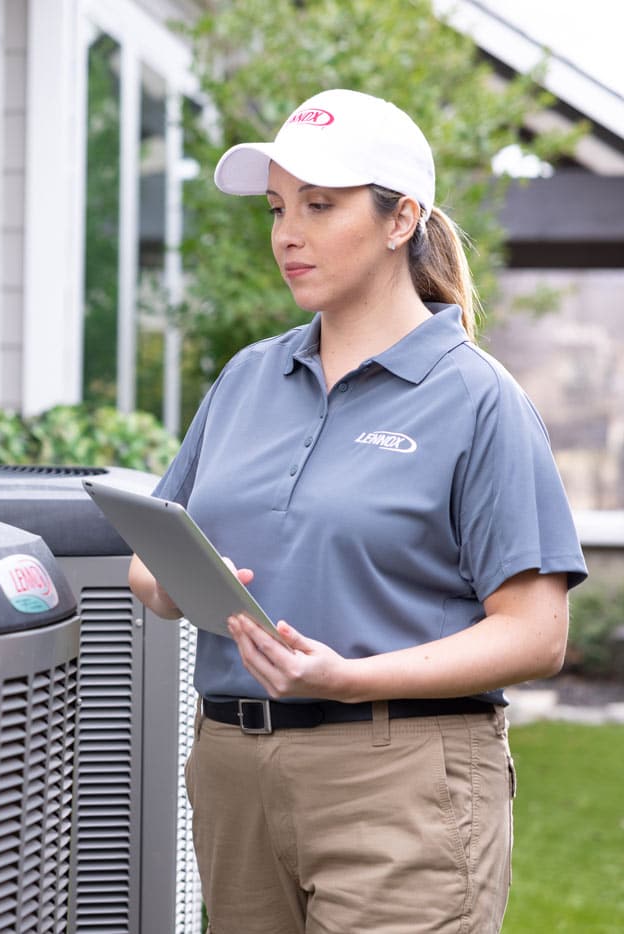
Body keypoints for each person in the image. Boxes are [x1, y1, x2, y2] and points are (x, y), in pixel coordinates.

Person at [128, 88, 588, 933]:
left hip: (399, 776)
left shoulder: (478, 401)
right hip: (233, 768)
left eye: (319, 205)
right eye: (275, 208)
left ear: (400, 218)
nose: (286, 234)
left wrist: (348, 678)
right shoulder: (246, 379)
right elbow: (152, 557)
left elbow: (536, 633)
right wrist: (186, 579)